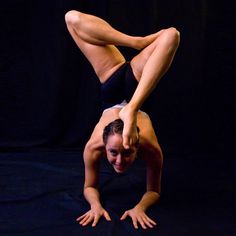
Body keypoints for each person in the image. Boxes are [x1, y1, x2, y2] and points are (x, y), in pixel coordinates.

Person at [64, 10, 180, 229]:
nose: (119, 160)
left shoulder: (93, 148)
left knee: (71, 20)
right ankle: (136, 43)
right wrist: (95, 205)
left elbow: (152, 191)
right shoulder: (149, 147)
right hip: (138, 83)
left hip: (111, 79)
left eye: (125, 153)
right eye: (116, 153)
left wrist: (140, 207)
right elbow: (152, 190)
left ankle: (132, 108)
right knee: (71, 17)